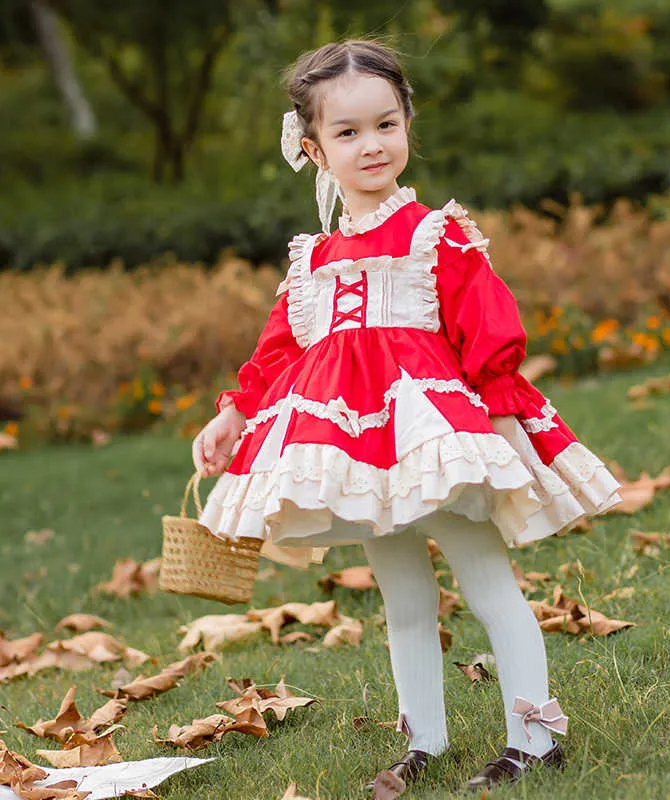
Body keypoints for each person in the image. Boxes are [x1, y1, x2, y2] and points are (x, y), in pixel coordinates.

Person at [191, 39, 622, 792]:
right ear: (314, 148)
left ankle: (534, 735)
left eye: (386, 125)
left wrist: (498, 425)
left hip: (432, 439)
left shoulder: (435, 234)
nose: (372, 145)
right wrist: (233, 414)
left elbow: (489, 333)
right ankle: (425, 737)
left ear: (407, 125)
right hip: (354, 449)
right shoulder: (313, 260)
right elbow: (278, 353)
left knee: (486, 581)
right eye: (348, 133)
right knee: (404, 596)